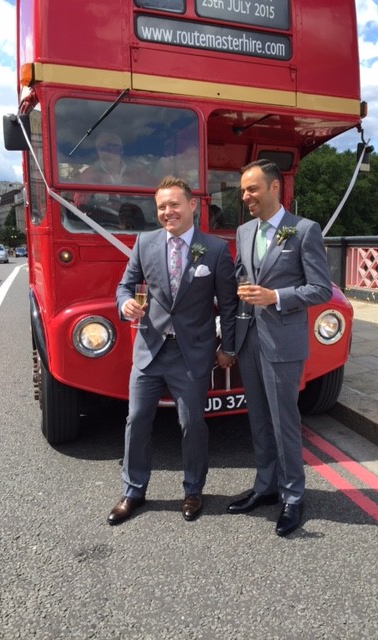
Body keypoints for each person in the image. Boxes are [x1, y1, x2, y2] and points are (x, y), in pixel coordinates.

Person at [108, 176, 237, 525]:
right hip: (149, 349)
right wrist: (125, 306)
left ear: (192, 206)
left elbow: (228, 304)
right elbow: (124, 287)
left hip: (192, 352)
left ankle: (193, 490)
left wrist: (229, 346)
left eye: (174, 204)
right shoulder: (144, 242)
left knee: (192, 423)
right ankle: (133, 491)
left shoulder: (215, 249)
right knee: (136, 420)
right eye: (162, 206)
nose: (168, 212)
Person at [227, 159, 333, 537]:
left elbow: (321, 289)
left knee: (283, 421)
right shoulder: (242, 232)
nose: (245, 197)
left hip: (283, 343)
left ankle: (292, 496)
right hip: (249, 339)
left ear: (275, 188)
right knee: (257, 420)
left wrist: (275, 295)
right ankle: (266, 487)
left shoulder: (304, 230)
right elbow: (242, 273)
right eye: (243, 190)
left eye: (252, 189)